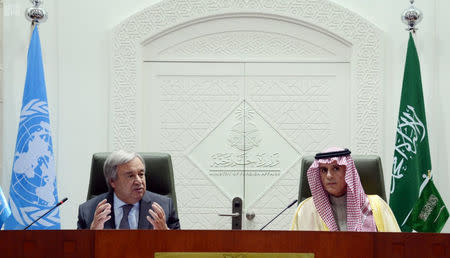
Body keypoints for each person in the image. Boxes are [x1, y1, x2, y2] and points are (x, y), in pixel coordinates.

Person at [291, 147, 400, 232]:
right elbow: (295, 251)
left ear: (348, 172)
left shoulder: (377, 206)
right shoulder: (306, 210)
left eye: (336, 168)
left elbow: (396, 247)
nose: (329, 176)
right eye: (324, 170)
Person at [77, 150, 180, 229]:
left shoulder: (165, 207)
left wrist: (166, 234)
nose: (139, 181)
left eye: (141, 174)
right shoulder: (88, 211)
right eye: (130, 176)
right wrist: (91, 235)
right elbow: (78, 252)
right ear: (113, 181)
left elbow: (180, 251)